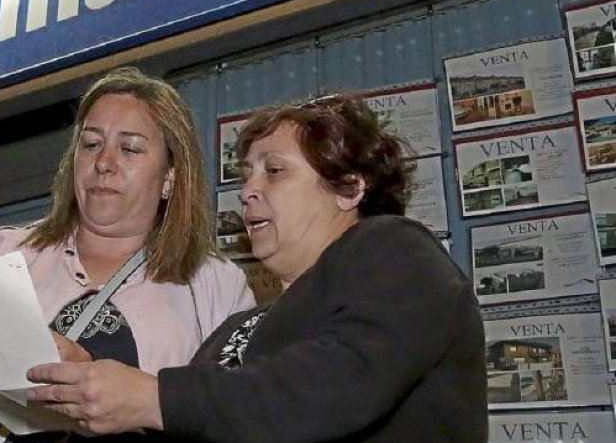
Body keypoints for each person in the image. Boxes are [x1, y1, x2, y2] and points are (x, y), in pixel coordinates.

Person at [25, 93, 487, 442]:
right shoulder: (240, 325)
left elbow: (335, 383)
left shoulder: (397, 250)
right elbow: (201, 420)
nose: (247, 190)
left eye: (274, 171)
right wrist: (92, 387)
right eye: (245, 173)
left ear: (348, 188)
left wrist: (151, 397)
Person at [0, 67, 255, 443]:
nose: (104, 163)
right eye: (91, 144)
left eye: (129, 148)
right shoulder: (5, 252)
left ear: (170, 177)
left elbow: (236, 419)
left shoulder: (215, 285)